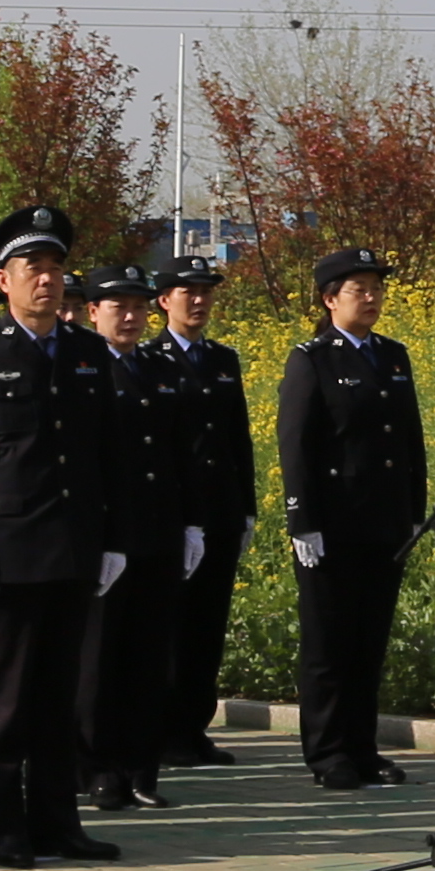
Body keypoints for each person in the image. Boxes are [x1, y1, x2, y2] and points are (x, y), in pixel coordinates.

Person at [0, 206, 131, 870]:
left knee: (58, 698)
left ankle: (57, 823)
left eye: (55, 268)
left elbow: (107, 453)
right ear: (4, 281)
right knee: (4, 700)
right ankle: (4, 824)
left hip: (74, 548)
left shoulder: (86, 352)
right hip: (8, 552)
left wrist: (113, 538)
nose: (47, 280)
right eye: (32, 269)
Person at [274, 252, 425, 789]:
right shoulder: (312, 359)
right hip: (332, 524)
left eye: (376, 288)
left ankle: (364, 748)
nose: (371, 297)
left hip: (383, 522)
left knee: (368, 642)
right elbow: (296, 444)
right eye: (359, 289)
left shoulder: (392, 356)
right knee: (328, 643)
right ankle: (328, 752)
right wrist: (302, 520)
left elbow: (409, 440)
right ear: (329, 299)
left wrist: (414, 512)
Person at [78, 266, 186, 816]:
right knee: (99, 658)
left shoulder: (159, 367)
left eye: (139, 306)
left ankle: (141, 769)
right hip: (102, 535)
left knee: (148, 658)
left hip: (157, 531)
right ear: (92, 311)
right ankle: (97, 768)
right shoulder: (80, 367)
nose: (130, 316)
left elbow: (180, 451)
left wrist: (190, 522)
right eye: (117, 306)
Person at [151, 253, 254, 759]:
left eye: (205, 291)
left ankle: (194, 726)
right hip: (171, 513)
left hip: (220, 510)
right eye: (188, 292)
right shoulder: (151, 359)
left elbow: (238, 438)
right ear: (164, 300)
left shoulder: (222, 360)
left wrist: (247, 507)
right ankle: (162, 728)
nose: (198, 300)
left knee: (207, 625)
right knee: (169, 623)